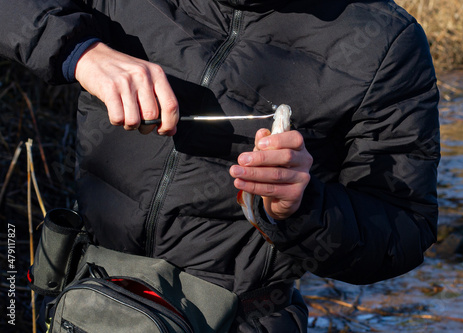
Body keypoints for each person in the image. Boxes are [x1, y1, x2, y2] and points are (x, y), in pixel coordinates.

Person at [0, 0, 440, 331]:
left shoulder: (386, 40)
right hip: (87, 301)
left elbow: (405, 225)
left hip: (239, 321)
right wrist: (80, 51)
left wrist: (302, 208)